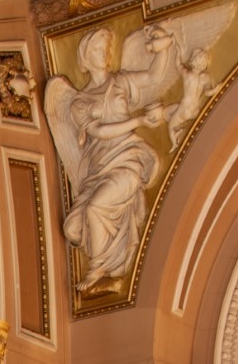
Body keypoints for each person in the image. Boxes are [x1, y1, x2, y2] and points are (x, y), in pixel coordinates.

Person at [44, 24, 173, 295]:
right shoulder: (78, 102)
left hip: (128, 159)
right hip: (98, 168)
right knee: (72, 230)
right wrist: (138, 119)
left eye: (106, 49)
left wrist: (162, 48)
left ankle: (98, 271)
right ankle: (107, 264)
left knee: (94, 209)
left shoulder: (122, 80)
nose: (105, 54)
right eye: (99, 50)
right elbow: (99, 131)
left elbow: (153, 76)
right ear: (85, 57)